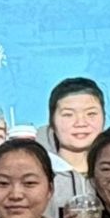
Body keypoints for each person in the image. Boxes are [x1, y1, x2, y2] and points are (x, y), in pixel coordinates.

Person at [44, 78, 106, 207]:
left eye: (91, 113)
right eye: (68, 115)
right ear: (52, 122)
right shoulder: (39, 173)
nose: (81, 123)